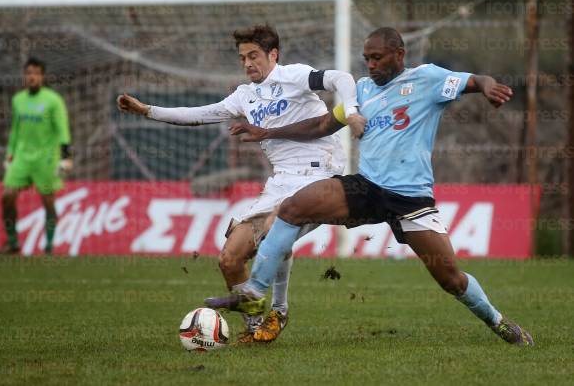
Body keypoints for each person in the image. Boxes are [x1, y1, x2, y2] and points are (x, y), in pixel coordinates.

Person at [205, 27, 534, 346]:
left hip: (410, 199)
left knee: (450, 279)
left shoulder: (427, 79)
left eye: (377, 58)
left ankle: (498, 321)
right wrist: (269, 132)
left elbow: (475, 81)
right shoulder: (361, 90)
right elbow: (322, 124)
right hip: (367, 188)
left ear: (399, 54)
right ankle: (254, 292)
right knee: (291, 207)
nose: (371, 65)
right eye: (367, 59)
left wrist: (490, 87)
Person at [116, 24, 365, 343]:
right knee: (229, 259)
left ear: (273, 54)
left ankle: (278, 310)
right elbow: (197, 114)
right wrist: (148, 111)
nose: (248, 63)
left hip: (319, 174)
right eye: (243, 58)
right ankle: (255, 325)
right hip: (280, 182)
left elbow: (341, 79)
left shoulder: (295, 75)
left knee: (276, 231)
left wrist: (352, 110)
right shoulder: (244, 96)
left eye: (254, 56)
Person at [0, 57, 73, 256]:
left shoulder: (53, 100)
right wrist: (9, 154)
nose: (32, 77)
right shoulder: (18, 100)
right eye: (29, 73)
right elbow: (15, 130)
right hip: (21, 157)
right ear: (25, 75)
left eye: (36, 73)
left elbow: (62, 130)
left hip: (46, 158)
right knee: (7, 196)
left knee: (48, 201)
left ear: (42, 76)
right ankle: (13, 243)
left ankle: (48, 246)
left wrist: (65, 157)